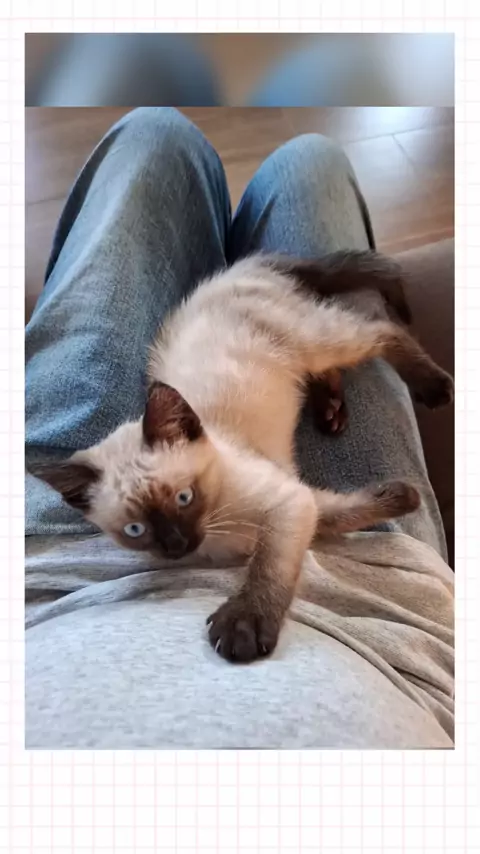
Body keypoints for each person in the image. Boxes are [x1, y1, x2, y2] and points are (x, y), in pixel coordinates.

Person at [25, 108, 454, 749]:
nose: (174, 541)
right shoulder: (156, 473)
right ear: (86, 507)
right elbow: (295, 506)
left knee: (155, 133)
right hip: (383, 614)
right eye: (137, 531)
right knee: (305, 163)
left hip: (248, 329)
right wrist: (363, 509)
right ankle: (317, 352)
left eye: (182, 501)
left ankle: (389, 344)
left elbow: (282, 505)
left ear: (186, 431)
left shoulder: (188, 454)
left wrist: (260, 599)